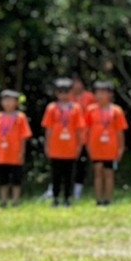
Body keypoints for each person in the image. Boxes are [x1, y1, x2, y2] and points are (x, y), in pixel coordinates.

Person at [43, 79, 86, 207]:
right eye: (61, 92)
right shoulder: (51, 108)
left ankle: (68, 198)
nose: (64, 95)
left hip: (70, 147)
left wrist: (79, 146)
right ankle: (55, 198)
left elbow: (79, 129)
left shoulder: (76, 108)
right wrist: (47, 145)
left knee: (69, 175)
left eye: (67, 92)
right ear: (56, 93)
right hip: (56, 147)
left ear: (71, 92)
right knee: (56, 175)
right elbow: (48, 129)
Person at [87, 81, 129, 207]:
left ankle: (109, 199)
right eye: (98, 93)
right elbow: (87, 129)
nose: (100, 96)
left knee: (109, 173)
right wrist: (87, 145)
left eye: (103, 93)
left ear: (110, 94)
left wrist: (121, 148)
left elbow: (120, 131)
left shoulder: (116, 110)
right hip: (96, 146)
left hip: (111, 147)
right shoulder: (91, 110)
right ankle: (99, 199)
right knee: (98, 172)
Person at [0, 90, 33, 208]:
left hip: (15, 153)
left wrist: (22, 152)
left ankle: (16, 200)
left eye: (11, 100)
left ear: (16, 103)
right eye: (5, 100)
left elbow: (24, 136)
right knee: (3, 179)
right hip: (2, 154)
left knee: (16, 179)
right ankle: (3, 200)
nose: (8, 103)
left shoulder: (21, 117)